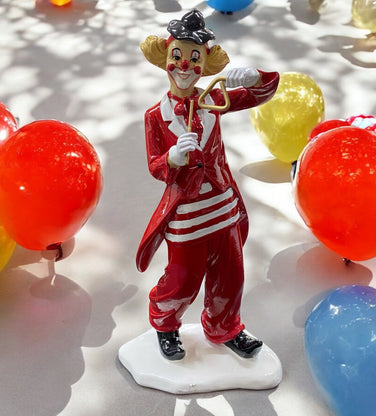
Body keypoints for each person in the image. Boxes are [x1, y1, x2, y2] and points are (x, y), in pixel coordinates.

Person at [136, 9, 279, 361]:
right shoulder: (155, 116)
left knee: (230, 276)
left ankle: (225, 327)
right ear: (165, 59)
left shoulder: (215, 99)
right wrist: (172, 158)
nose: (184, 66)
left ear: (204, 65)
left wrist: (256, 77)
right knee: (183, 279)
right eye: (177, 56)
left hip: (223, 207)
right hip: (187, 215)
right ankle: (165, 323)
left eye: (194, 58)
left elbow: (261, 94)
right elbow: (155, 166)